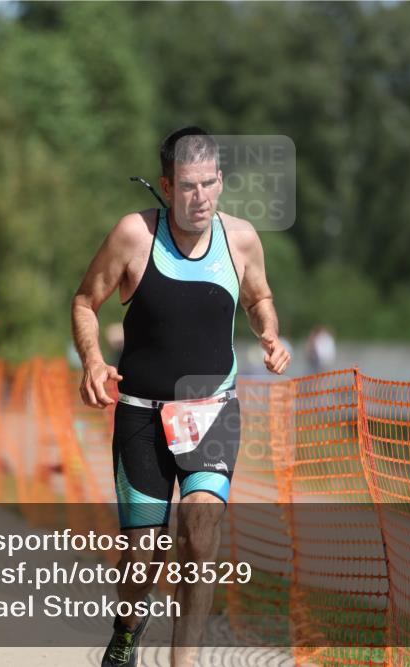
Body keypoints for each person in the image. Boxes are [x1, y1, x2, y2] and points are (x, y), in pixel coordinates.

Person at [72, 127, 291, 667]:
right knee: (141, 559)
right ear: (167, 186)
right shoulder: (133, 236)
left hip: (211, 411)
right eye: (189, 186)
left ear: (221, 180)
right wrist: (94, 362)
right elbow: (84, 302)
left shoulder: (240, 239)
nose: (202, 198)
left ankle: (184, 661)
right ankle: (128, 628)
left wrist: (269, 331)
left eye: (210, 183)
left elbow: (259, 296)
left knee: (202, 531)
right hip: (141, 415)